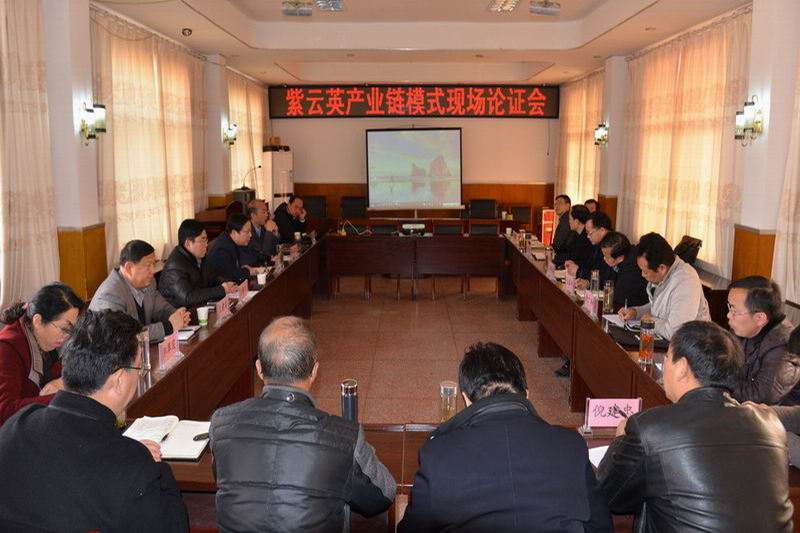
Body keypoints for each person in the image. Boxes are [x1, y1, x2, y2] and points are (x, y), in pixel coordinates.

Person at [0, 309, 189, 532]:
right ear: (118, 380)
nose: (139, 376)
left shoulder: (17, 425)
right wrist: (154, 466)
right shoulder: (130, 465)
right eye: (139, 368)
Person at [597, 321, 793, 532]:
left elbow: (609, 496)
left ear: (682, 367)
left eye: (667, 358)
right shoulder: (771, 425)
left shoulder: (650, 428)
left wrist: (620, 439)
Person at [399, 342, 612, 532]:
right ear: (527, 394)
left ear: (465, 399)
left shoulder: (438, 455)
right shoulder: (571, 445)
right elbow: (601, 525)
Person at [210, 316, 395, 532]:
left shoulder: (221, 423)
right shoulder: (343, 437)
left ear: (259, 368)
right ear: (314, 371)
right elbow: (383, 494)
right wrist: (359, 448)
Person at [0, 283, 84, 426]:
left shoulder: (45, 340)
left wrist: (64, 382)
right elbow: (4, 412)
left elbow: (64, 373)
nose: (67, 336)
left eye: (72, 330)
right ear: (38, 321)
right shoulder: (7, 350)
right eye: (64, 328)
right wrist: (62, 398)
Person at [90, 240, 190, 343]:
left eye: (154, 264)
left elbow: (161, 308)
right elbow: (128, 336)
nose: (153, 271)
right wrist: (168, 327)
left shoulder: (149, 282)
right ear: (129, 268)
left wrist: (178, 316)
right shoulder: (110, 295)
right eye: (148, 265)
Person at [618, 232, 710, 340]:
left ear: (662, 268)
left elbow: (676, 332)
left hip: (694, 346)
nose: (642, 275)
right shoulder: (665, 274)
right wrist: (635, 312)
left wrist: (651, 322)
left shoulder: (686, 281)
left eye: (645, 271)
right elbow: (659, 308)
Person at [727, 276, 798, 405]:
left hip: (775, 414)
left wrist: (717, 381)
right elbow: (720, 360)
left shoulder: (784, 347)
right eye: (729, 307)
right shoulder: (743, 328)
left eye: (734, 310)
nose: (728, 315)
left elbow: (760, 397)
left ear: (759, 318)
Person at [159, 219, 237, 309]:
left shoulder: (200, 256)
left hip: (200, 306)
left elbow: (212, 278)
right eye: (202, 240)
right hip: (181, 313)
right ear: (188, 243)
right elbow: (188, 298)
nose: (206, 245)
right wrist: (221, 289)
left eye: (206, 240)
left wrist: (227, 283)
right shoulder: (174, 266)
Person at [598, 231, 648, 310]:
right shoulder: (619, 257)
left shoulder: (632, 267)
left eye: (607, 257)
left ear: (620, 258)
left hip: (637, 309)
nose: (604, 259)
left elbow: (619, 297)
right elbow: (605, 280)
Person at [207, 213, 261, 283]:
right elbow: (229, 276)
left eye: (250, 231)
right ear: (234, 233)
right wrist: (247, 271)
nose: (250, 235)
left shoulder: (231, 241)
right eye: (247, 232)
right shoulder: (222, 249)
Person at [568, 210, 613, 284]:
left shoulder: (611, 246)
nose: (588, 236)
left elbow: (605, 278)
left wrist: (578, 271)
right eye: (587, 233)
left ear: (602, 230)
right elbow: (591, 267)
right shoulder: (598, 244)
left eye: (590, 233)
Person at [240, 199, 279, 266]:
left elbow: (274, 250)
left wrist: (275, 233)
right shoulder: (247, 232)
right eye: (263, 212)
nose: (267, 215)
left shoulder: (264, 227)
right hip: (253, 266)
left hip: (265, 265)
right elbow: (263, 253)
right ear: (253, 215)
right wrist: (269, 232)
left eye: (267, 212)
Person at [551, 194, 575, 267]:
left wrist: (550, 249)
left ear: (568, 206)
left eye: (560, 203)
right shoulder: (564, 218)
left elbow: (559, 244)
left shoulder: (566, 220)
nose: (557, 206)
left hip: (564, 259)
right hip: (562, 256)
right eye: (555, 204)